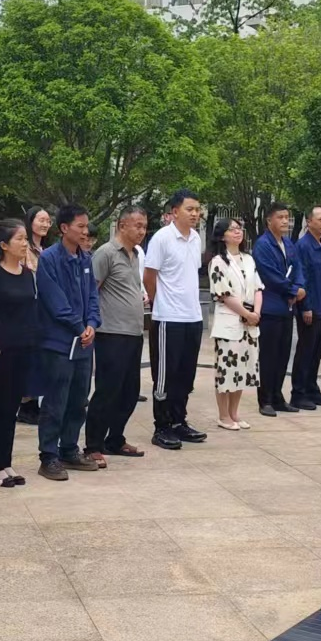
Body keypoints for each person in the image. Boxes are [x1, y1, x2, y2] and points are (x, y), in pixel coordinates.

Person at [35, 204, 100, 480]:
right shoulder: (49, 259)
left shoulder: (85, 258)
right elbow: (56, 302)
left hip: (84, 343)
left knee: (78, 399)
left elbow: (93, 296)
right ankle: (48, 456)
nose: (85, 232)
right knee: (56, 400)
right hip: (59, 343)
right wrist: (79, 326)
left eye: (86, 226)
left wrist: (92, 323)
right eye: (80, 226)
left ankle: (69, 449)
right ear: (64, 228)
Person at [143, 190, 207, 450]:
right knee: (165, 376)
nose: (195, 214)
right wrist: (158, 302)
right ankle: (162, 426)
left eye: (197, 210)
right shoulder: (162, 238)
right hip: (168, 318)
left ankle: (179, 421)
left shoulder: (196, 238)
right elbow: (149, 276)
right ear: (175, 211)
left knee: (185, 374)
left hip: (193, 316)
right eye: (190, 209)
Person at [84, 205, 149, 461]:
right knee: (107, 391)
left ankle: (115, 439)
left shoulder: (135, 254)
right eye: (138, 226)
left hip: (133, 332)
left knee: (129, 392)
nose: (142, 231)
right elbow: (92, 291)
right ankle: (93, 445)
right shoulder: (106, 253)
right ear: (122, 226)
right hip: (111, 333)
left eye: (145, 227)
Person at [0, 220, 35, 487]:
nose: (25, 244)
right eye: (19, 239)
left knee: (12, 407)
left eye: (26, 239)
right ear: (3, 245)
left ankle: (7, 461)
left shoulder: (28, 274)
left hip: (23, 349)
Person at [208, 218, 263, 430]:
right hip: (230, 320)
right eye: (232, 230)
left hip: (250, 322)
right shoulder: (218, 262)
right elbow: (224, 294)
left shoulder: (248, 259)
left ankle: (234, 413)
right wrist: (246, 313)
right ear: (222, 236)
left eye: (239, 229)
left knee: (243, 369)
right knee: (227, 370)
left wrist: (256, 313)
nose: (237, 232)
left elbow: (258, 288)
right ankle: (223, 415)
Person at [253, 202, 306, 417]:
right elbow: (270, 275)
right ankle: (265, 399)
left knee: (283, 355)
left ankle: (277, 397)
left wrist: (299, 287)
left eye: (287, 217)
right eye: (280, 217)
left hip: (287, 308)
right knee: (268, 355)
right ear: (269, 220)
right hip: (270, 308)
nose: (285, 221)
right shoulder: (263, 245)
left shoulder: (288, 243)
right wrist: (293, 290)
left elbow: (298, 268)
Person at [291, 206, 321, 409]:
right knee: (306, 351)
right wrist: (305, 307)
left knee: (317, 351)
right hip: (310, 309)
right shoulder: (303, 246)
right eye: (320, 219)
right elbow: (302, 278)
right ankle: (298, 393)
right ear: (309, 222)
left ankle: (312, 389)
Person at [17, 205, 54, 425]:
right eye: (41, 220)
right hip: (28, 307)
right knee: (29, 358)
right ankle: (25, 405)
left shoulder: (46, 250)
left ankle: (33, 402)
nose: (45, 224)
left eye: (48, 221)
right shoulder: (24, 249)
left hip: (44, 309)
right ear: (30, 221)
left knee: (40, 358)